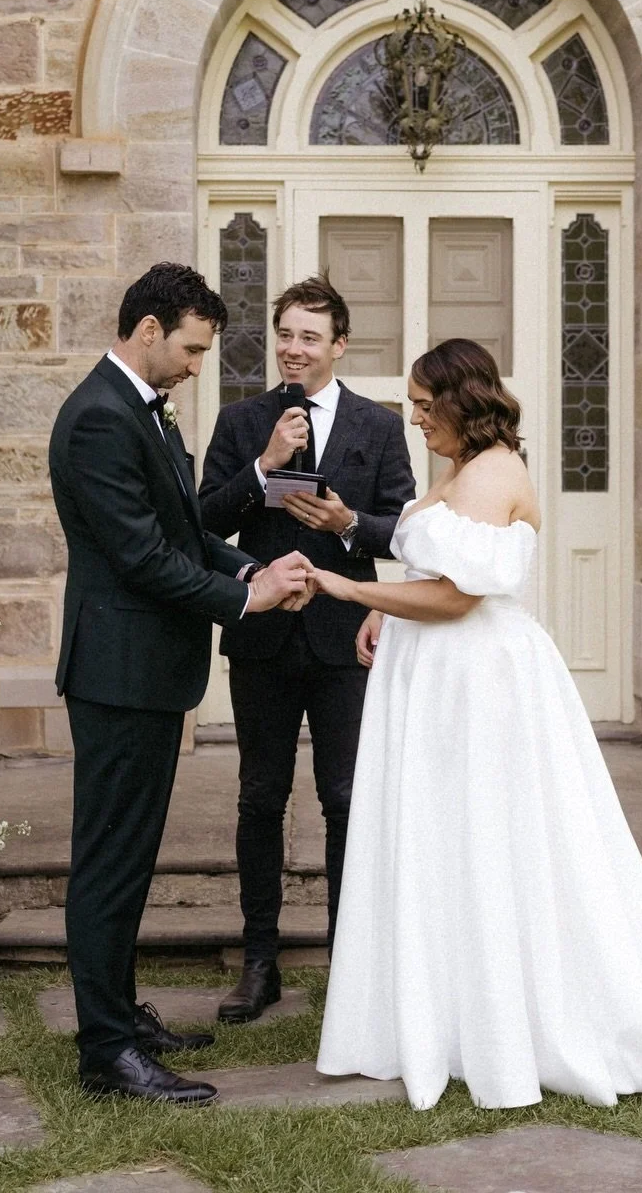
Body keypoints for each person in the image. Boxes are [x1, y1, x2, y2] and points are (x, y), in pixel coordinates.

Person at [309, 338, 642, 1111]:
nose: (415, 421)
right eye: (414, 407)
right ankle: (445, 1018)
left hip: (476, 678)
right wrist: (393, 615)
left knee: (486, 841)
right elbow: (435, 571)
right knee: (441, 840)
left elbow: (460, 600)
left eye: (426, 407)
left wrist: (351, 594)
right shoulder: (464, 468)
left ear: (462, 402)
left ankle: (506, 1023)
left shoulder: (491, 474)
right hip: (439, 668)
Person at [48, 262, 314, 1106]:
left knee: (130, 860)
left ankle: (121, 1018)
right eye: (194, 350)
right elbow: (141, 558)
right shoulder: (97, 417)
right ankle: (106, 1055)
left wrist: (256, 565)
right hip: (118, 674)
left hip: (151, 673)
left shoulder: (145, 413)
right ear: (150, 329)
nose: (199, 366)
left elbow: (188, 533)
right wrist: (247, 599)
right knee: (109, 864)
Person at [199, 276, 415, 1023]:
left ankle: (347, 963)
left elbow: (404, 530)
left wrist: (349, 523)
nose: (294, 348)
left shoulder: (379, 426)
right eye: (285, 334)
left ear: (339, 346)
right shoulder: (241, 420)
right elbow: (204, 524)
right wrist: (261, 465)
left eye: (309, 337)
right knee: (260, 798)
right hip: (260, 635)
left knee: (346, 799)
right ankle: (260, 962)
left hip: (341, 640)